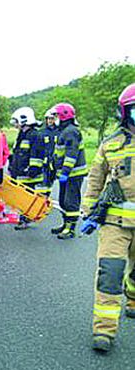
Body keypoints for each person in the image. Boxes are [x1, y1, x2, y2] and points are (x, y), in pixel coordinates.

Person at [80, 83, 135, 352]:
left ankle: (133, 299)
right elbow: (94, 181)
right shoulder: (110, 145)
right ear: (125, 113)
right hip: (115, 224)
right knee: (109, 275)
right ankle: (104, 330)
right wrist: (88, 212)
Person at [50, 103, 88, 239]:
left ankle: (70, 229)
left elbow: (71, 155)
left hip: (73, 174)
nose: (54, 119)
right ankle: (65, 224)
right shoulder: (65, 131)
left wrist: (65, 172)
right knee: (63, 201)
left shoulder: (71, 131)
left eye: (56, 116)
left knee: (70, 201)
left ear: (63, 116)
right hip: (66, 174)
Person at [8, 107, 46, 230]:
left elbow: (37, 155)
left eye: (17, 122)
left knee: (27, 199)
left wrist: (31, 171)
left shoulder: (35, 135)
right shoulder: (22, 135)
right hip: (20, 173)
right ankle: (23, 218)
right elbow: (17, 153)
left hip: (29, 175)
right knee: (21, 198)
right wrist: (12, 167)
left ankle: (26, 219)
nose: (16, 125)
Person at [39, 109, 60, 195]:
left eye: (52, 119)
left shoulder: (59, 132)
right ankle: (43, 199)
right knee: (44, 183)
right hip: (45, 162)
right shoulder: (42, 132)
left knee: (51, 182)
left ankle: (48, 197)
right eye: (48, 119)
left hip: (55, 162)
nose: (50, 121)